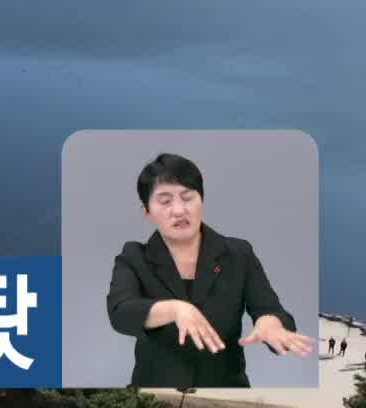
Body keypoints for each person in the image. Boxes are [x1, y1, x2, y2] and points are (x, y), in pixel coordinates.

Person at [106, 153, 314, 387]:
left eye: (188, 198)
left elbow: (270, 309)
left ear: (201, 200)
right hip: (154, 388)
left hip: (227, 389)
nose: (178, 210)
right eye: (165, 201)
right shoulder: (134, 257)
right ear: (147, 212)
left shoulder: (238, 253)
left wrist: (271, 324)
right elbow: (120, 312)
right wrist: (175, 309)